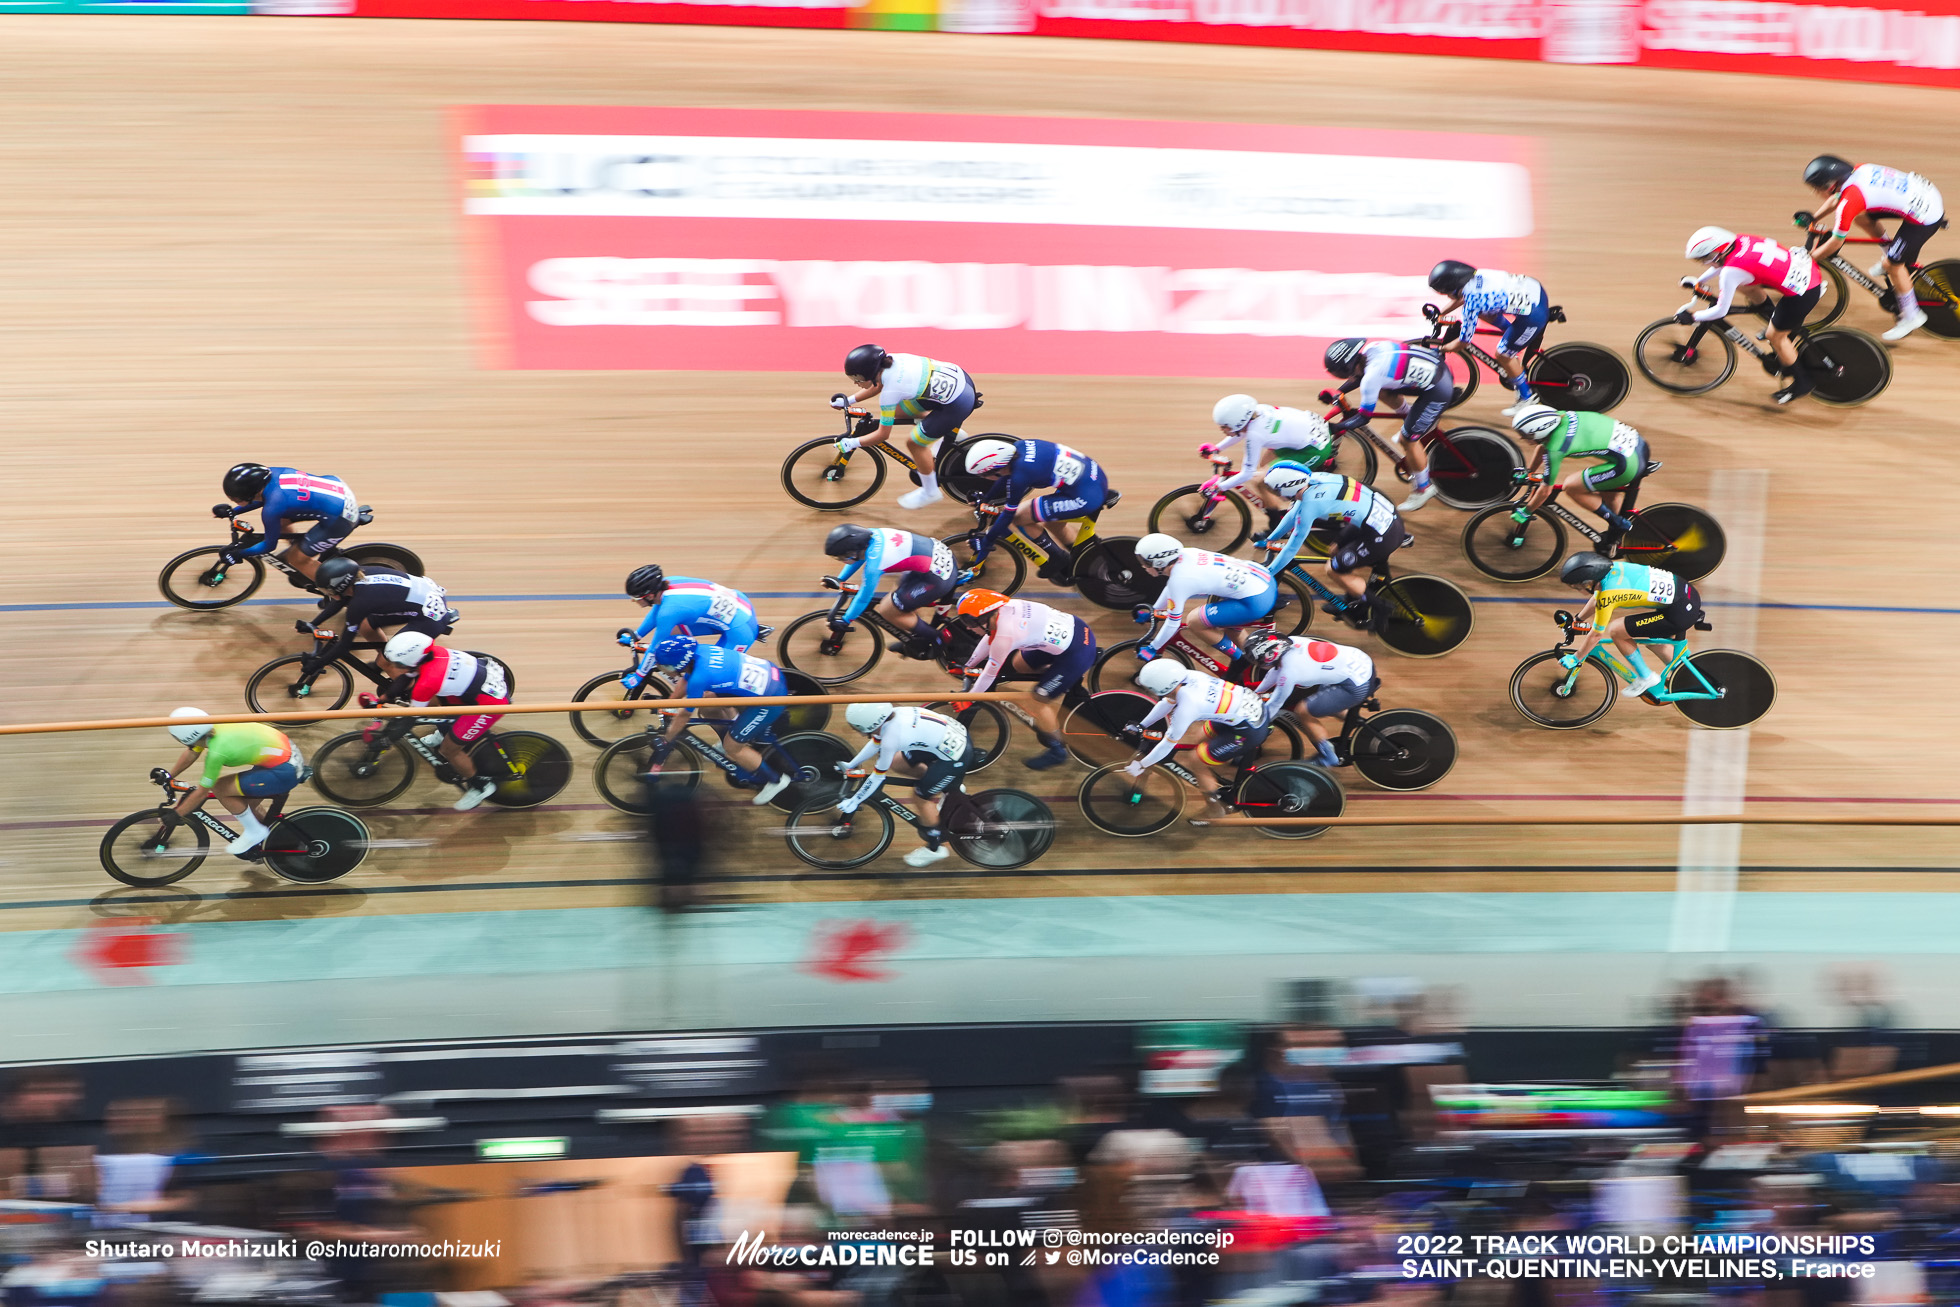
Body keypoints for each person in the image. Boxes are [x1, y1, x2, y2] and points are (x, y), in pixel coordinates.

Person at [1803, 153, 1946, 341]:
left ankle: (1912, 316)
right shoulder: (1858, 170)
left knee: (1894, 265)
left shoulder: (1851, 199)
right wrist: (1814, 218)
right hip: (1925, 197)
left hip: (1925, 217)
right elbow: (1837, 198)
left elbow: (1836, 241)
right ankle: (1891, 252)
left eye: (1815, 189)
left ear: (1829, 185)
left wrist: (1810, 259)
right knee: (1862, 217)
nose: (1815, 193)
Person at [956, 588, 1097, 770]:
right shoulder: (1002, 610)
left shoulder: (1005, 634)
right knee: (1019, 664)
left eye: (968, 621)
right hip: (1071, 632)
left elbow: (991, 672)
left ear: (984, 617)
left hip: (1076, 651)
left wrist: (968, 699)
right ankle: (1060, 678)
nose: (967, 627)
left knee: (1038, 700)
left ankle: (1057, 750)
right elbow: (988, 638)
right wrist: (969, 665)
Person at [1678, 226, 1821, 404]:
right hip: (1807, 272)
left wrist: (1692, 317)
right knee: (1744, 284)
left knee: (1775, 336)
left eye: (1705, 259)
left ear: (1718, 252)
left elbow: (1721, 309)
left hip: (1804, 292)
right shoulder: (1740, 240)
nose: (1704, 263)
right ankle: (1770, 314)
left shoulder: (1730, 272)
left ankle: (1803, 382)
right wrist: (1700, 281)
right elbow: (1726, 265)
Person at [371, 631, 512, 811]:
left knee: (449, 750)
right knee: (435, 704)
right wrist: (382, 699)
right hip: (483, 682)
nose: (395, 667)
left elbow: (410, 719)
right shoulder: (432, 652)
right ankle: (448, 729)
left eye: (398, 663)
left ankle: (480, 786)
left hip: (490, 703)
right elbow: (407, 677)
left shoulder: (427, 682)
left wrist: (387, 740)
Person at [831, 344, 979, 510]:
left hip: (957, 403)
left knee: (914, 443)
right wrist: (849, 401)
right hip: (959, 380)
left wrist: (854, 442)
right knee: (900, 410)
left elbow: (882, 435)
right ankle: (941, 428)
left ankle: (930, 491)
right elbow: (878, 384)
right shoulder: (890, 361)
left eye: (857, 379)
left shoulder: (891, 392)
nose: (856, 383)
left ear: (869, 374)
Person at [648, 637, 793, 806]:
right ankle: (736, 736)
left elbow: (685, 714)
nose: (663, 670)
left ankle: (776, 780)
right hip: (769, 675)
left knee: (733, 747)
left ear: (678, 664)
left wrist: (667, 739)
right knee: (708, 706)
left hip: (770, 698)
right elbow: (685, 681)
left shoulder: (699, 677)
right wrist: (669, 704)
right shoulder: (699, 653)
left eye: (665, 667)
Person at [1259, 464, 1403, 628]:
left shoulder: (1310, 504)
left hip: (1381, 534)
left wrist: (1268, 572)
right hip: (1383, 519)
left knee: (1333, 569)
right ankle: (1353, 597)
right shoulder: (1312, 480)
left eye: (1277, 491)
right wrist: (1270, 539)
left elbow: (1292, 548)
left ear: (1287, 488)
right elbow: (1292, 514)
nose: (1277, 494)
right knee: (1335, 549)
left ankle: (1381, 606)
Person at [1122, 661, 1268, 818]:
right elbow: (1167, 702)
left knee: (1194, 759)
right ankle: (1210, 777)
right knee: (1199, 737)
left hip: (1248, 730)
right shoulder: (1189, 676)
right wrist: (1142, 725)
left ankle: (1214, 807)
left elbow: (1167, 745)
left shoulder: (1188, 707)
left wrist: (1142, 764)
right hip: (1245, 714)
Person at [1322, 336, 1453, 513]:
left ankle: (1423, 488)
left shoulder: (1371, 377)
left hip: (1437, 389)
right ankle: (1410, 416)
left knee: (1408, 440)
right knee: (1383, 390)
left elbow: (1363, 417)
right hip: (1438, 369)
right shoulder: (1372, 349)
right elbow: (1361, 376)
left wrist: (1338, 427)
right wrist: (1340, 392)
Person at [835, 703, 971, 868]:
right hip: (946, 737)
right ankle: (947, 786)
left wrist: (855, 800)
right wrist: (851, 764)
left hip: (956, 756)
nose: (856, 730)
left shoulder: (891, 738)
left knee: (920, 798)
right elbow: (875, 742)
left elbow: (877, 777)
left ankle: (935, 849)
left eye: (856, 727)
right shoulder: (890, 717)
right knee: (897, 761)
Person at [158, 707, 304, 856]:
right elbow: (192, 751)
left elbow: (202, 792)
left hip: (284, 770)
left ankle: (255, 832)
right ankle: (272, 839)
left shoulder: (216, 752)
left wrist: (177, 814)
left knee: (220, 787)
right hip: (282, 755)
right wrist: (169, 776)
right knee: (245, 806)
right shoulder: (212, 728)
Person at [962, 437, 1111, 583]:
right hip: (1091, 478)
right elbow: (1005, 476)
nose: (983, 478)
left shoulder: (1021, 476)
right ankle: (1081, 557)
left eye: (983, 475)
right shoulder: (1020, 447)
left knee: (1020, 517)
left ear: (996, 470)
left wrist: (987, 541)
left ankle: (1058, 557)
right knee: (1052, 523)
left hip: (1084, 497)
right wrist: (987, 499)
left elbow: (1008, 514)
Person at [1557, 552, 1704, 698]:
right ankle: (1691, 678)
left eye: (1576, 587)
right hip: (1686, 595)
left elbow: (1596, 635)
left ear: (1587, 582)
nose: (1577, 589)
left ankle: (1646, 677)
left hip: (1679, 610)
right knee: (1657, 644)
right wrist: (1578, 619)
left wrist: (1576, 658)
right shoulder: (1612, 569)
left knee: (1616, 630)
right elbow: (1597, 597)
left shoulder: (1609, 594)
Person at [1131, 533, 1277, 667]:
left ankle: (1240, 661)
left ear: (1160, 563)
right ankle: (1255, 661)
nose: (1143, 566)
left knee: (1195, 621)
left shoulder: (1180, 579)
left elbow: (1173, 622)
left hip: (1255, 600)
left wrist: (1153, 647)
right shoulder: (1186, 553)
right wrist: (1155, 610)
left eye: (1145, 562)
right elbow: (1171, 587)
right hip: (1262, 579)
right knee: (1231, 628)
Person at [1427, 260, 1551, 415]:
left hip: (1533, 314)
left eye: (1446, 293)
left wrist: (1442, 349)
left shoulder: (1473, 302)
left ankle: (1527, 398)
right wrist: (1441, 314)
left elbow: (1464, 342)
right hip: (1535, 290)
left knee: (1503, 355)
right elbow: (1462, 297)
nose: (1447, 296)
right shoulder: (1476, 276)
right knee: (1484, 311)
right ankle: (1511, 335)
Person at [1203, 395, 1338, 534]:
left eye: (1224, 426)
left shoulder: (1255, 435)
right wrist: (1217, 448)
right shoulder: (1258, 411)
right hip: (1311, 435)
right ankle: (1288, 494)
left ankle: (1277, 526)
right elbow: (1240, 432)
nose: (1222, 430)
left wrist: (1219, 487)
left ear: (1238, 422)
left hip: (1313, 450)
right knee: (1265, 465)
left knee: (1262, 481)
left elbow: (1247, 473)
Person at [212, 463, 364, 584]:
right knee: (282, 520)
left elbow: (269, 546)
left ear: (251, 494)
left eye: (237, 500)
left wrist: (240, 553)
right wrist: (235, 511)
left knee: (296, 560)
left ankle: (343, 593)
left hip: (341, 517)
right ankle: (301, 548)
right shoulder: (271, 473)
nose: (234, 502)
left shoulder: (272, 509)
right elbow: (263, 498)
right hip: (337, 490)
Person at [619, 565, 762, 694]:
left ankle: (731, 713)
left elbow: (655, 648)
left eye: (636, 598)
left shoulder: (669, 611)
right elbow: (655, 612)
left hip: (740, 630)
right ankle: (682, 676)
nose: (634, 601)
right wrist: (637, 635)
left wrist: (638, 676)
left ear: (649, 596)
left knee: (709, 678)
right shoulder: (666, 586)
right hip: (738, 606)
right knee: (673, 633)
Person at [1246, 633, 1377, 770]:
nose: (1257, 664)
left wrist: (1257, 724)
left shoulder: (1290, 671)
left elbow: (1276, 703)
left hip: (1355, 685)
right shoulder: (1293, 641)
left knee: (1303, 710)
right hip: (1362, 663)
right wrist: (1255, 694)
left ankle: (1328, 757)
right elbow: (1273, 673)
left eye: (1258, 661)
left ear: (1269, 656)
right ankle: (1364, 727)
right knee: (1324, 701)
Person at [1510, 404, 1647, 534]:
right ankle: (1617, 537)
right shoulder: (1560, 416)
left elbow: (1545, 490)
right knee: (1608, 494)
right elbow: (1541, 448)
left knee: (1571, 486)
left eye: (1525, 435)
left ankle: (1616, 522)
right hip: (1638, 444)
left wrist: (1527, 511)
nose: (1521, 437)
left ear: (1541, 430)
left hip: (1628, 465)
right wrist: (1529, 472)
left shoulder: (1556, 448)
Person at [823, 524, 957, 655]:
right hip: (938, 557)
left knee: (888, 609)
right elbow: (857, 558)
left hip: (937, 578)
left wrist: (846, 620)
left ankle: (936, 638)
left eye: (842, 557)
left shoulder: (875, 564)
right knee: (899, 594)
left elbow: (864, 598)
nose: (842, 560)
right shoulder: (871, 534)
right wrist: (840, 579)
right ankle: (916, 638)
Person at [303, 563, 458, 666]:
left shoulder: (360, 603)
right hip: (425, 598)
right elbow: (339, 600)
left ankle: (405, 684)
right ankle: (383, 662)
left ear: (340, 586)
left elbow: (344, 646)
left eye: (329, 591)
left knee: (390, 661)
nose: (329, 595)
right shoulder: (360, 573)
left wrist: (317, 665)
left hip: (429, 617)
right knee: (365, 625)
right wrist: (314, 623)